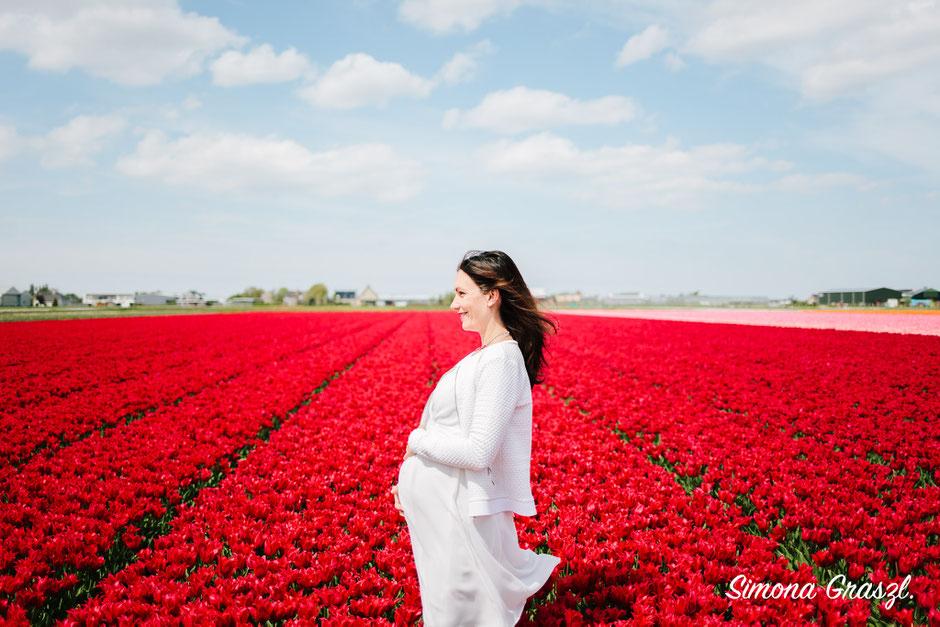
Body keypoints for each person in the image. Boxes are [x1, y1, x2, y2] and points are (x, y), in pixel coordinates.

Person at [390, 250, 561, 626]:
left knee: (459, 613)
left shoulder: (500, 361)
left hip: (461, 515)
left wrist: (416, 441)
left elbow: (478, 451)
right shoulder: (484, 358)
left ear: (491, 295)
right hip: (446, 513)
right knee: (447, 609)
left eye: (462, 293)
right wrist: (409, 477)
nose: (454, 304)